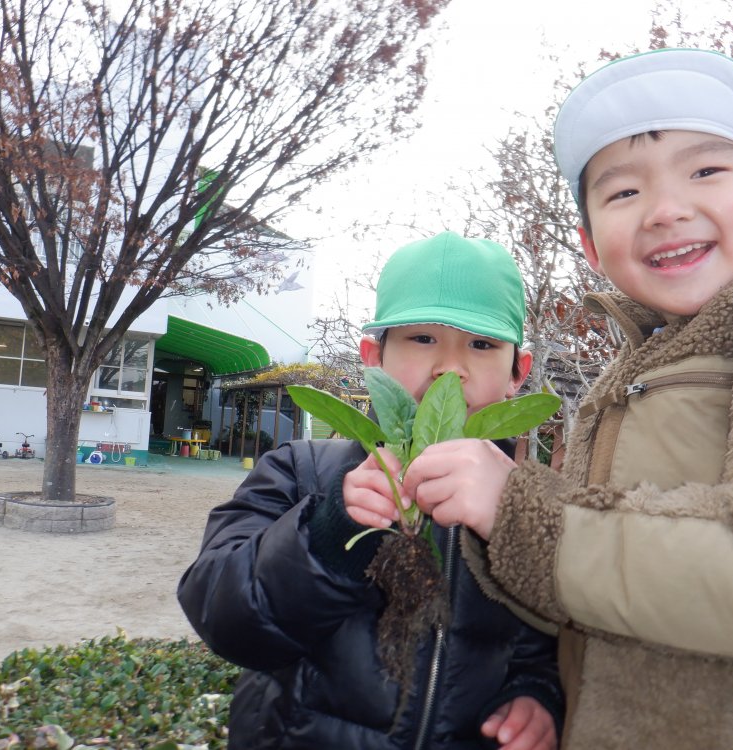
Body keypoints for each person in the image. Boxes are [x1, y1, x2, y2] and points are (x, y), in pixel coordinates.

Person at [357, 49, 733, 749]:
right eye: (623, 192)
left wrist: (516, 508)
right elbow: (581, 596)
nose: (665, 210)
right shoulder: (618, 383)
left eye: (706, 170)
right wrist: (536, 689)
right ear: (592, 246)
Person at [178, 231, 564, 750]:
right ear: (373, 357)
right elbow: (225, 619)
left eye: (482, 344)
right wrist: (329, 531)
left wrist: (537, 693)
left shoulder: (530, 501)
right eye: (422, 339)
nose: (450, 368)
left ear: (519, 371)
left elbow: (551, 636)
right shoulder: (299, 471)